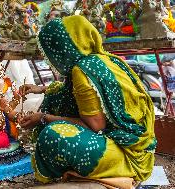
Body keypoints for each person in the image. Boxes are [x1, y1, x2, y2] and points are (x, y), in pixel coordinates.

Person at [19, 15, 156, 186]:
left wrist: (43, 117)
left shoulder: (81, 71)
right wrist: (42, 88)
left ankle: (118, 170)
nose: (49, 58)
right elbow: (72, 93)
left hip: (125, 154)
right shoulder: (102, 58)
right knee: (57, 98)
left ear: (62, 48)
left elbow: (96, 126)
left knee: (51, 136)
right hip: (141, 150)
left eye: (50, 52)